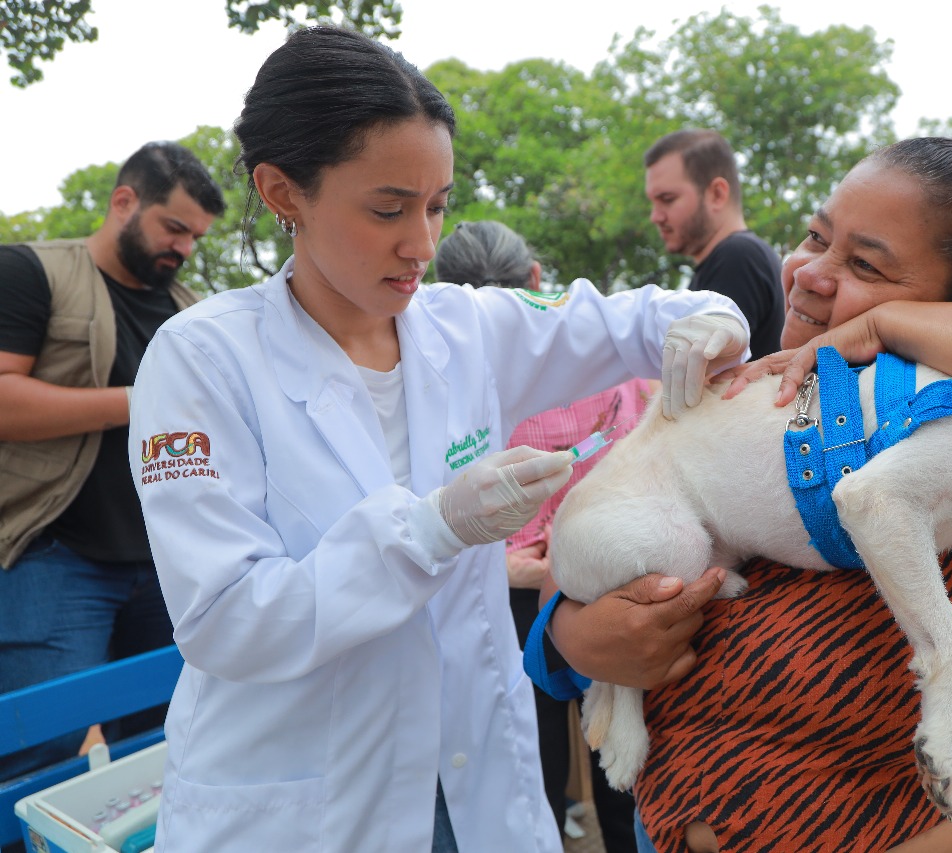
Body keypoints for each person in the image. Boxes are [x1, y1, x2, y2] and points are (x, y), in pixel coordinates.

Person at [126, 26, 749, 853]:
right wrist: (435, 528)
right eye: (388, 208)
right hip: (306, 802)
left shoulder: (464, 328)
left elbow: (641, 318)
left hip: (472, 779)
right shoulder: (204, 358)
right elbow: (229, 620)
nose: (421, 243)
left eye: (437, 205)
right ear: (283, 191)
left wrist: (714, 322)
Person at [537, 112, 952, 851]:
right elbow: (570, 570)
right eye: (814, 236)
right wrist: (574, 637)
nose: (809, 271)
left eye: (868, 266)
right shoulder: (743, 386)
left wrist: (887, 327)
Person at [0, 141, 224, 780]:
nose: (183, 248)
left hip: (167, 561)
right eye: (174, 227)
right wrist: (142, 400)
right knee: (41, 744)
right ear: (124, 201)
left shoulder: (190, 312)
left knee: (176, 733)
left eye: (195, 237)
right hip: (52, 557)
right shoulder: (28, 272)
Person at [434, 219, 645, 852]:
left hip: (510, 604)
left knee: (532, 772)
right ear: (535, 280)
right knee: (624, 765)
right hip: (614, 590)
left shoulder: (446, 386)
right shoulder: (604, 366)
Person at [644, 129, 785, 359]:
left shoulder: (737, 257)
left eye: (667, 200)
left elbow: (700, 378)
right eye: (653, 203)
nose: (655, 217)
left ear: (717, 194)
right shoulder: (730, 259)